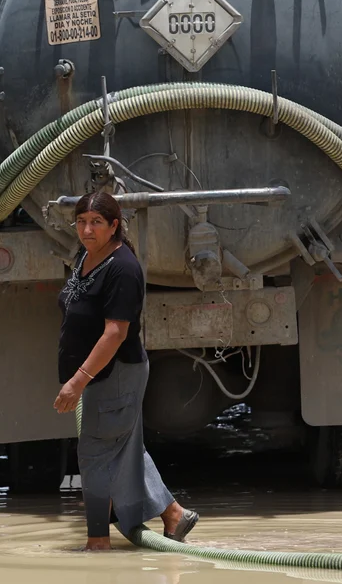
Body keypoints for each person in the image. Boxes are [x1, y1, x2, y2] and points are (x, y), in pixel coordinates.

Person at [53, 191, 199, 551]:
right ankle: (173, 515)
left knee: (94, 455)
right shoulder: (86, 255)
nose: (87, 229)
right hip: (102, 373)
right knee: (122, 447)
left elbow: (115, 332)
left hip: (114, 372)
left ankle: (98, 543)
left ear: (114, 226)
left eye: (96, 223)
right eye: (81, 222)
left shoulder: (123, 268)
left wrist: (77, 380)